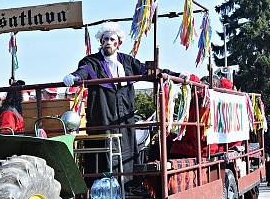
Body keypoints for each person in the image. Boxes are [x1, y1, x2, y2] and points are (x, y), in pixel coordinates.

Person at [63, 22, 184, 187]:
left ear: (118, 42)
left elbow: (148, 70)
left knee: (126, 149)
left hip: (124, 117)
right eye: (105, 39)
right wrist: (74, 77)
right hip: (103, 117)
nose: (108, 42)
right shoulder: (92, 61)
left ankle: (129, 187)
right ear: (101, 41)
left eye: (111, 39)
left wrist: (176, 75)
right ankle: (102, 188)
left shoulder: (126, 61)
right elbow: (83, 71)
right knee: (103, 152)